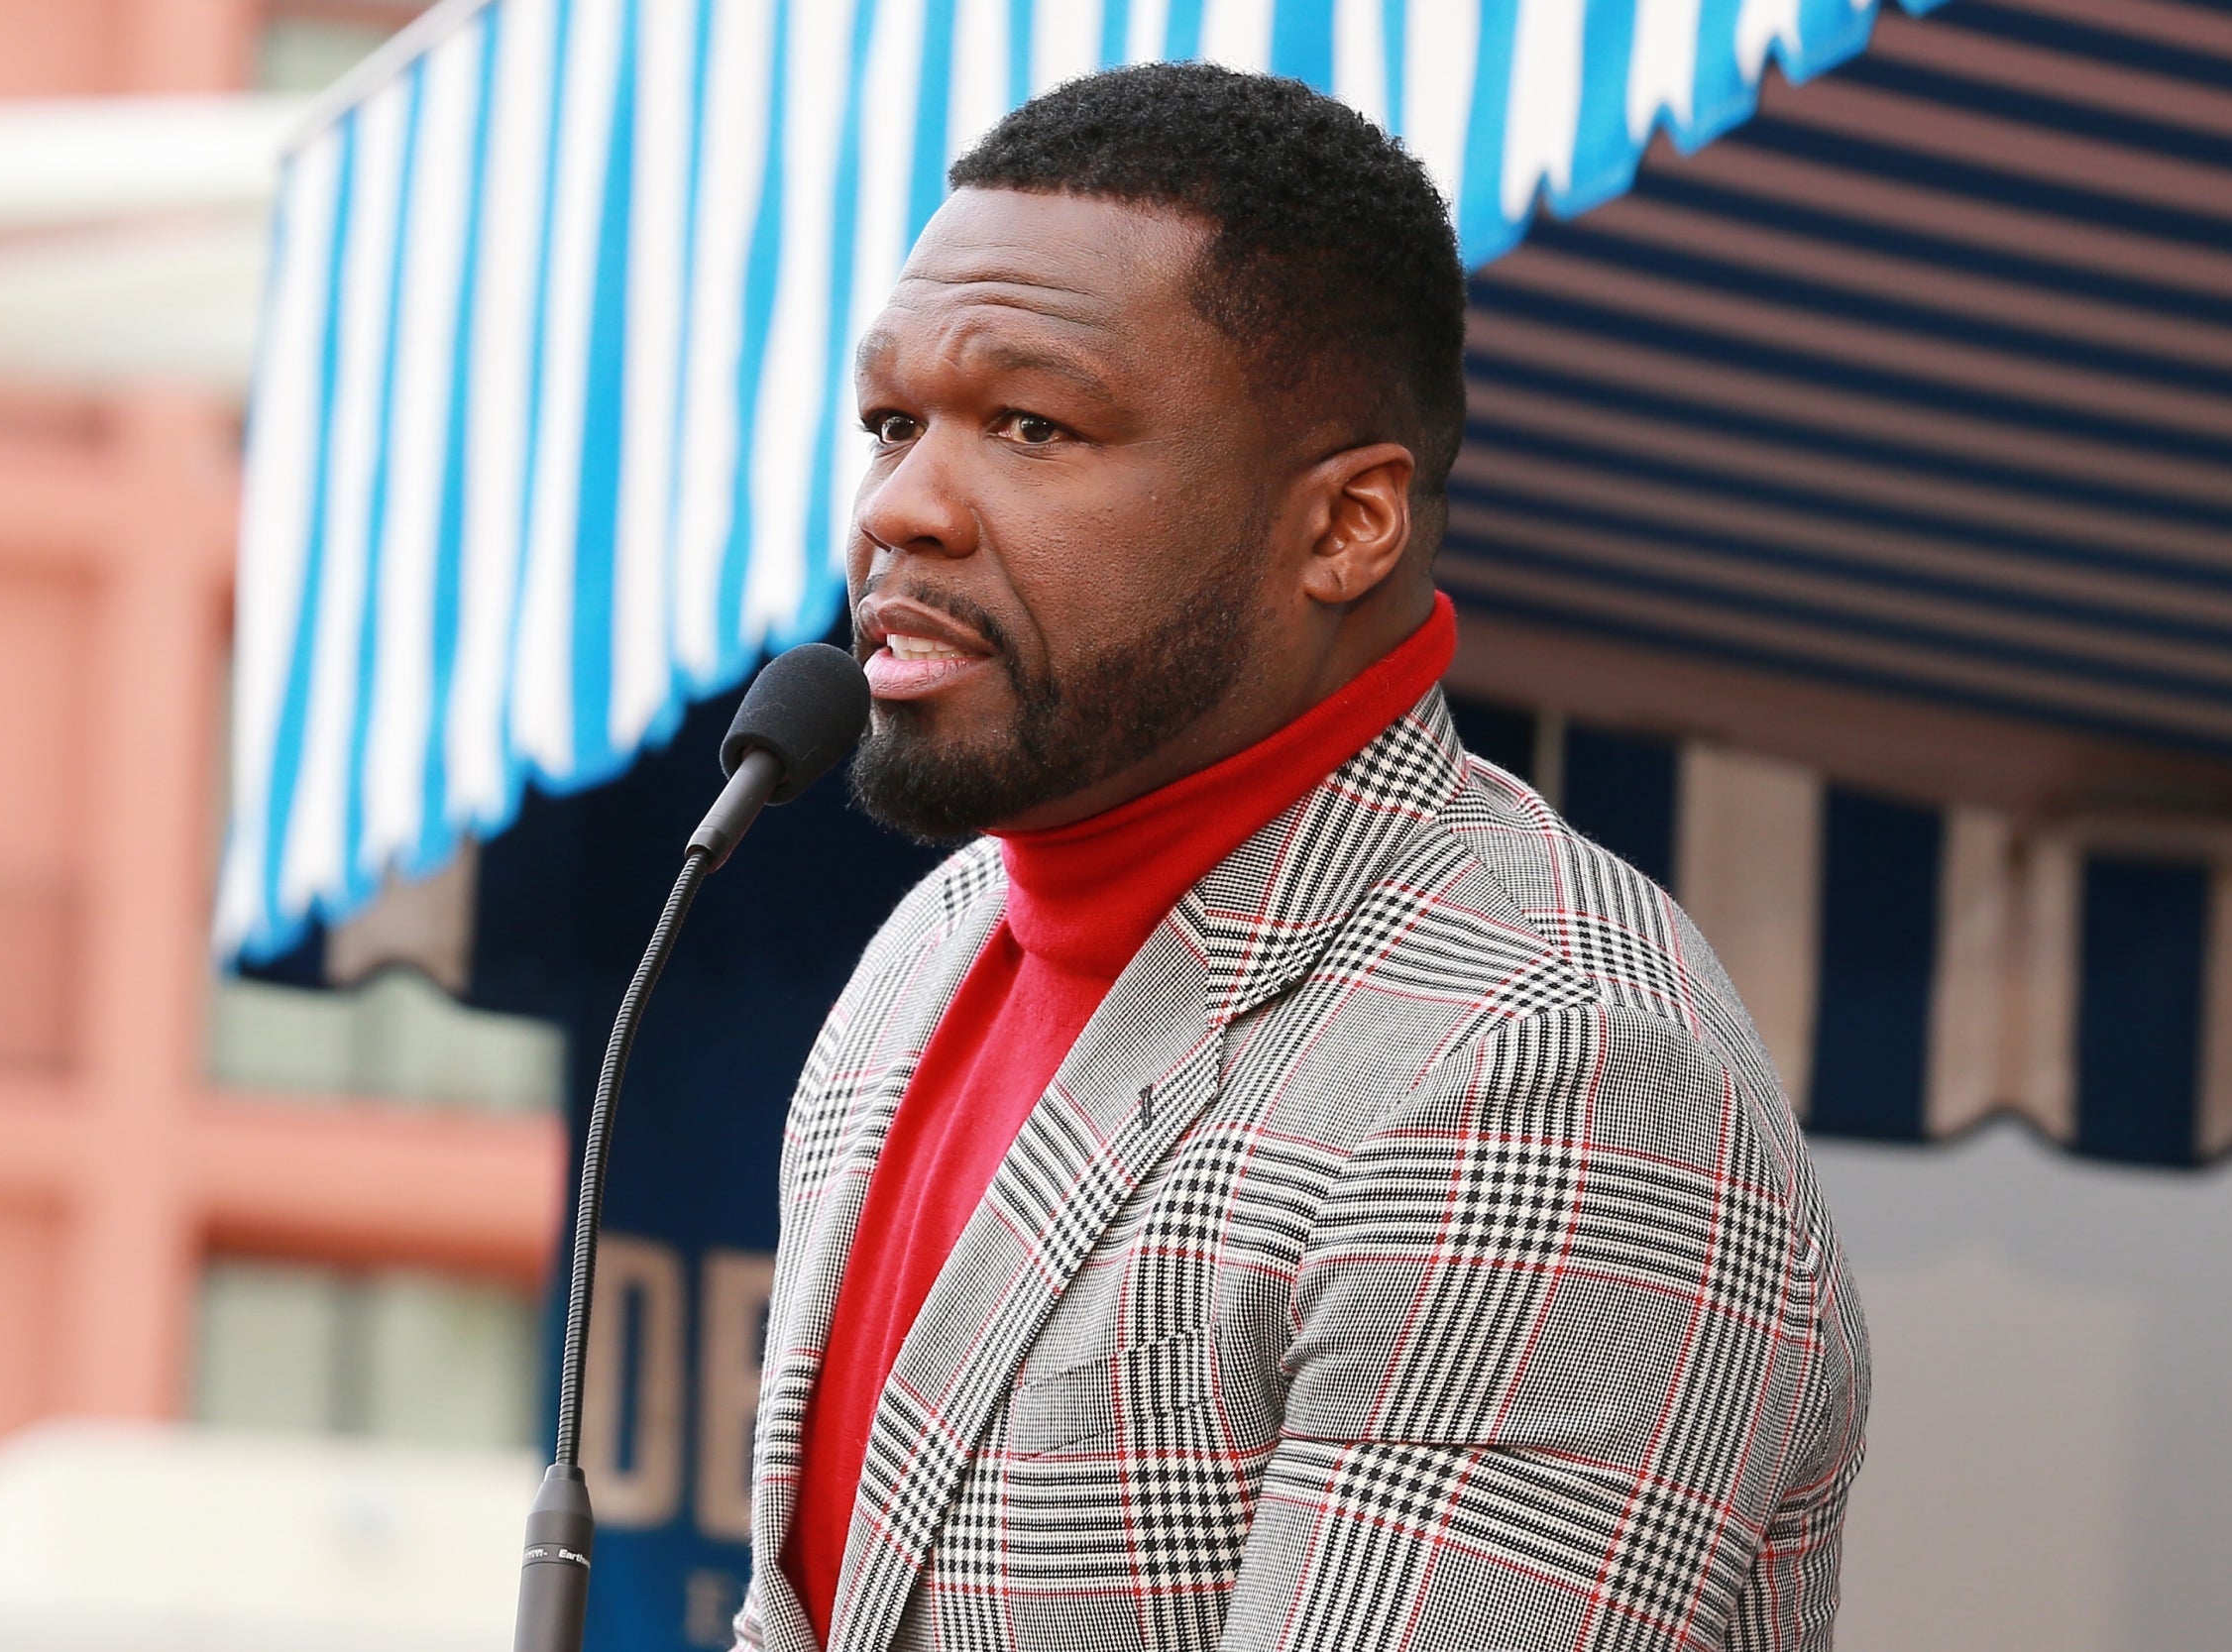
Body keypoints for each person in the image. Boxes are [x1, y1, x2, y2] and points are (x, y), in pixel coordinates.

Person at [735, 62, 1867, 1652]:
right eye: (893, 422)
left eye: (1033, 424)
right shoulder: (936, 942)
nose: (901, 507)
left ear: (1345, 527)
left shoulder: (1550, 1068)